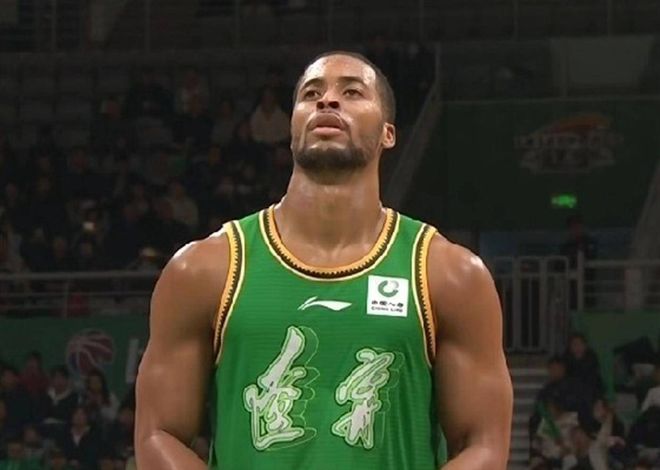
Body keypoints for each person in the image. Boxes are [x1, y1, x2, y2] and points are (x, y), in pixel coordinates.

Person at [135, 51, 513, 469]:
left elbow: (483, 444)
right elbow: (159, 433)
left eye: (352, 92)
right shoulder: (205, 269)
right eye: (311, 94)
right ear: (292, 128)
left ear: (388, 134)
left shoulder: (448, 274)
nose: (327, 100)